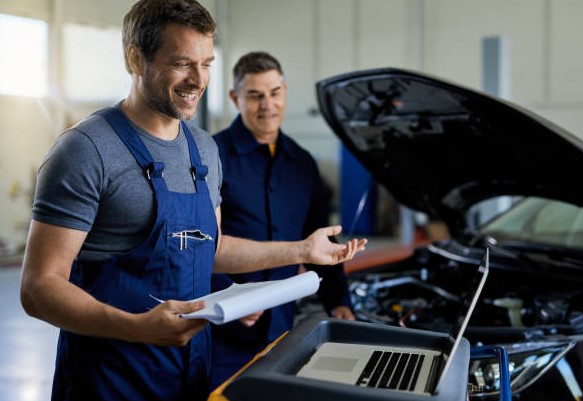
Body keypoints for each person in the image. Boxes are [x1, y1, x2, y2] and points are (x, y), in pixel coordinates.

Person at [18, 1, 366, 400]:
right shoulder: (85, 150)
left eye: (207, 64)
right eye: (182, 63)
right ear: (135, 58)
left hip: (191, 374)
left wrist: (301, 249)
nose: (198, 80)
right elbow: (39, 287)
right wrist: (137, 327)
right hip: (112, 379)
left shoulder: (202, 149)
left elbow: (211, 247)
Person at [209, 51, 355, 390]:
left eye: (274, 92)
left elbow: (320, 239)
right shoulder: (211, 157)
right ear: (235, 98)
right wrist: (225, 298)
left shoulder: (302, 163)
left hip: (282, 329)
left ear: (285, 91)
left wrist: (338, 300)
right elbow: (197, 246)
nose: (267, 105)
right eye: (254, 95)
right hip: (222, 331)